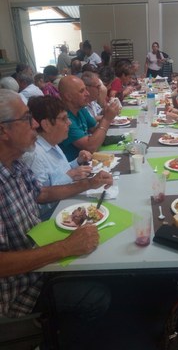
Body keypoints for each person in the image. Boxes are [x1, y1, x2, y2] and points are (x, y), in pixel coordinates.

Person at [0, 89, 112, 348]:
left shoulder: (14, 164)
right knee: (96, 295)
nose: (35, 125)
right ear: (3, 131)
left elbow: (42, 193)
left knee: (104, 262)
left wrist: (90, 183)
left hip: (38, 259)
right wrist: (65, 247)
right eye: (27, 118)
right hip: (20, 287)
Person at [23, 95, 95, 220]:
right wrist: (71, 175)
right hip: (55, 215)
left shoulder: (52, 143)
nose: (69, 122)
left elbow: (61, 171)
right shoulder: (35, 154)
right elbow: (40, 197)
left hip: (68, 202)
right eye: (64, 119)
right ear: (46, 125)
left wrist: (77, 162)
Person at [58, 75, 120, 161]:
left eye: (86, 89)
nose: (87, 93)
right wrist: (106, 119)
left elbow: (95, 130)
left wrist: (107, 113)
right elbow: (91, 147)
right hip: (74, 168)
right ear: (68, 97)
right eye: (82, 91)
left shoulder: (80, 109)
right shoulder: (65, 119)